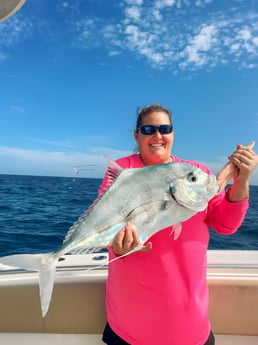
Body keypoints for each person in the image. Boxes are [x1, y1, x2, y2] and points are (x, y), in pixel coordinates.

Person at [101, 104, 257, 345]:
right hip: (128, 325)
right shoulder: (124, 171)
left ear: (173, 133)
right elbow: (105, 226)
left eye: (165, 128)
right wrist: (116, 248)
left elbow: (226, 225)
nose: (157, 135)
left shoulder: (195, 173)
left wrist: (241, 181)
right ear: (136, 134)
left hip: (189, 324)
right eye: (148, 128)